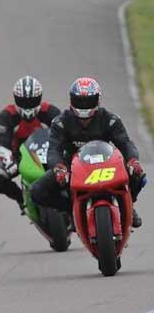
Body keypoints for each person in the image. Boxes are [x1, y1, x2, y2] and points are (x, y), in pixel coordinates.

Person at [31, 77, 145, 228]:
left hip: (107, 162)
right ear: (72, 100)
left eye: (88, 101)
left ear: (97, 100)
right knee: (37, 190)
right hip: (71, 166)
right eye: (79, 101)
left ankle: (129, 205)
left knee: (139, 175)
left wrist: (132, 160)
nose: (84, 106)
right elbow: (53, 149)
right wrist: (59, 167)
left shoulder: (110, 119)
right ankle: (70, 209)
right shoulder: (60, 122)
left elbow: (125, 143)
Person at [0, 76, 60, 213]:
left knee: (68, 174)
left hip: (47, 154)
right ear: (15, 98)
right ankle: (22, 199)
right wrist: (10, 163)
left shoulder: (50, 112)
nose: (28, 106)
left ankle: (70, 206)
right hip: (18, 157)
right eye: (23, 101)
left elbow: (63, 136)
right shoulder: (7, 115)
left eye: (32, 101)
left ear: (39, 98)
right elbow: (2, 144)